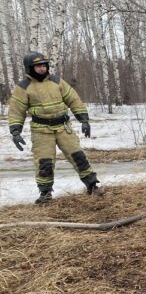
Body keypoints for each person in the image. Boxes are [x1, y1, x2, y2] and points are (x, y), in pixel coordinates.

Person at [8, 52, 102, 204]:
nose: (42, 68)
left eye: (44, 65)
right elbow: (16, 110)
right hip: (41, 130)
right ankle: (45, 194)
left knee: (78, 156)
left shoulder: (57, 81)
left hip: (63, 127)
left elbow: (73, 99)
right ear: (30, 68)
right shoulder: (23, 87)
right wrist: (15, 131)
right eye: (38, 66)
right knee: (44, 163)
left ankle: (92, 185)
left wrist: (84, 119)